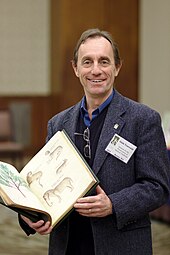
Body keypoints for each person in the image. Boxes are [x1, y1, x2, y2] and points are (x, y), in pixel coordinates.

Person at [19, 28, 170, 255]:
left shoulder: (143, 119)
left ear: (117, 67)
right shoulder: (57, 124)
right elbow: (46, 185)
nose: (96, 70)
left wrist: (113, 204)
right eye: (87, 62)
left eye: (104, 61)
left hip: (121, 245)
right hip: (69, 245)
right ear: (76, 68)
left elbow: (158, 188)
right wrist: (29, 215)